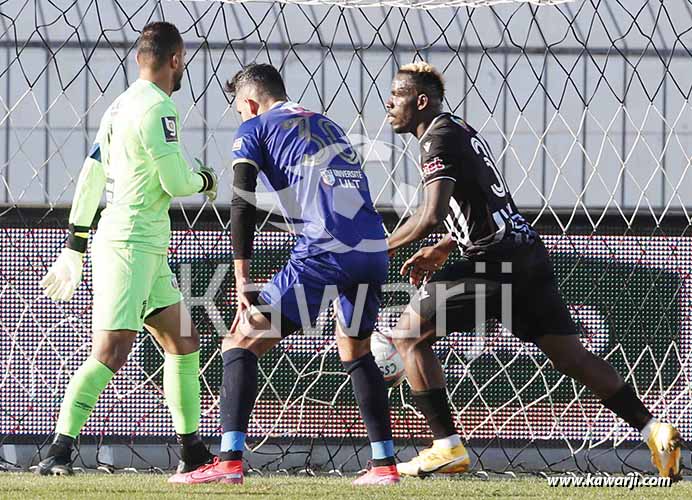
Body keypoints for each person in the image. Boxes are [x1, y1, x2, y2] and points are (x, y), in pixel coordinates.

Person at [384, 61, 682, 480]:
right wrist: (447, 245)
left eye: (396, 95)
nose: (388, 103)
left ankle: (445, 448)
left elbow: (430, 214)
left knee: (407, 337)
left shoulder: (437, 139)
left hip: (495, 265)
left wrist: (378, 249)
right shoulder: (457, 131)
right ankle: (654, 430)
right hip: (525, 256)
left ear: (420, 101)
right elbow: (482, 203)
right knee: (572, 358)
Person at [168, 63, 398, 486]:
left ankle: (229, 462)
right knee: (355, 349)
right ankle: (384, 466)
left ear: (250, 103)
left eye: (239, 110)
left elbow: (242, 203)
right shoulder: (325, 122)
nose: (240, 117)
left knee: (239, 339)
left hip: (327, 248)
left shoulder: (254, 128)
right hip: (372, 248)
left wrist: (242, 278)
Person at [37, 21, 217, 476]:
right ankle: (58, 450)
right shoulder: (160, 109)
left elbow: (91, 173)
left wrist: (77, 241)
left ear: (140, 57)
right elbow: (176, 182)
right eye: (183, 62)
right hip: (130, 243)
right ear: (176, 59)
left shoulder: (119, 105)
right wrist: (207, 180)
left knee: (182, 341)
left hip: (144, 244)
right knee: (113, 349)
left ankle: (192, 451)